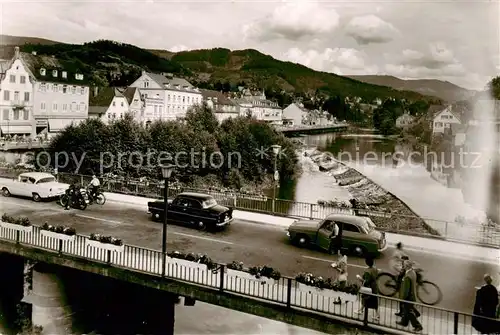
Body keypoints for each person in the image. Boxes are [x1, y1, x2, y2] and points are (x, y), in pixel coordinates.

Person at [396, 259, 423, 332]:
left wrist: (402, 298)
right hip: (412, 295)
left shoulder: (407, 276)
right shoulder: (412, 272)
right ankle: (404, 322)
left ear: (406, 266)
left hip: (408, 297)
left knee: (409, 312)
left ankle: (418, 326)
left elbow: (406, 290)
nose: (402, 266)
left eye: (404, 265)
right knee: (406, 310)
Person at [355, 256, 380, 321]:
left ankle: (362, 311)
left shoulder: (367, 271)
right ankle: (362, 310)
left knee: (365, 299)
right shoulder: (375, 269)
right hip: (374, 287)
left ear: (366, 263)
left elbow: (365, 281)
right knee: (374, 301)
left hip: (369, 288)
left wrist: (359, 277)